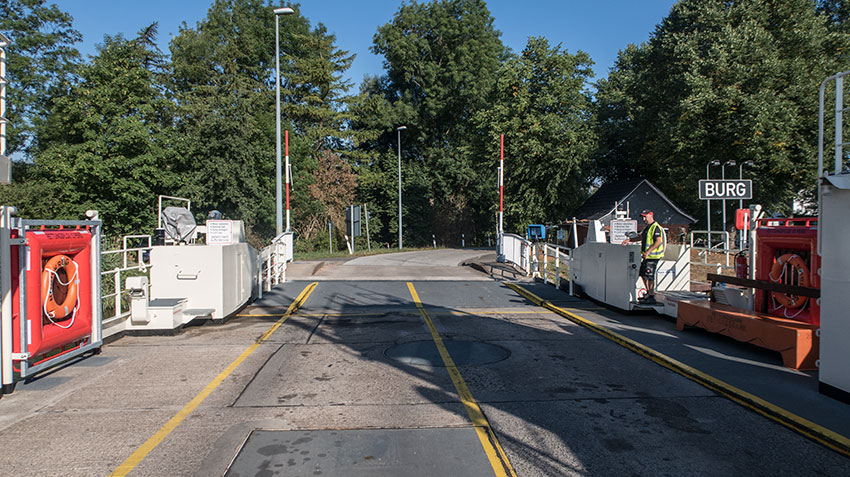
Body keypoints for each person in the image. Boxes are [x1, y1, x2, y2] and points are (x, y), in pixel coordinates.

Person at [623, 209, 666, 304]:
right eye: (642, 217)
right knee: (642, 274)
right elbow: (641, 237)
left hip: (653, 256)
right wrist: (629, 240)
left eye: (645, 217)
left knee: (649, 275)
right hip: (647, 256)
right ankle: (648, 293)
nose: (643, 219)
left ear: (651, 216)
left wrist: (648, 251)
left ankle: (651, 295)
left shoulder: (656, 227)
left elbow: (658, 241)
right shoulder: (647, 228)